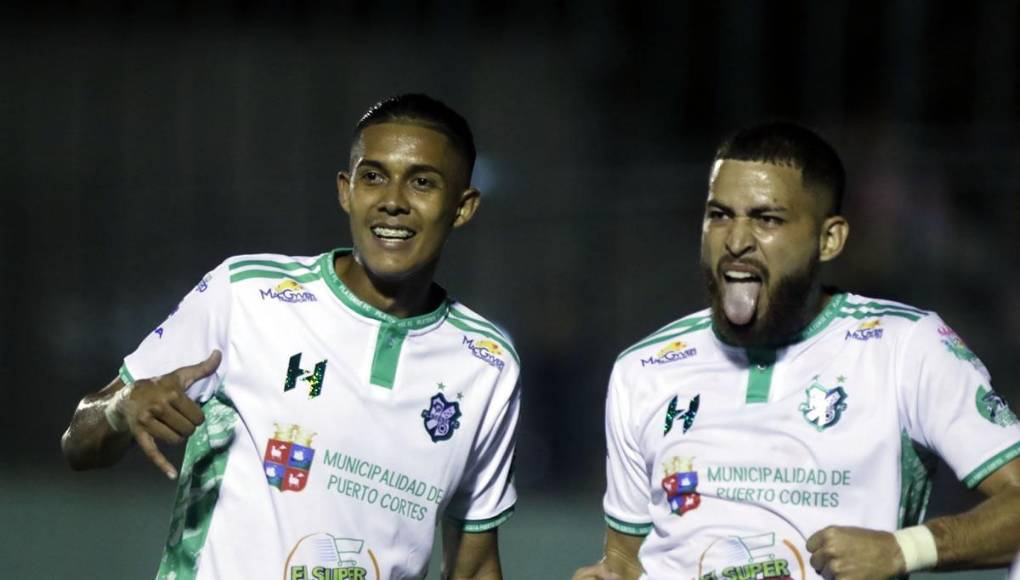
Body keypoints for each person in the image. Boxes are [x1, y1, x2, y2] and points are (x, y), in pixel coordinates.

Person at [61, 94, 520, 580]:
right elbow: (78, 443)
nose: (393, 201)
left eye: (422, 182)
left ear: (463, 207)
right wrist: (122, 407)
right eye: (373, 176)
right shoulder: (246, 294)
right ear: (346, 191)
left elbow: (474, 568)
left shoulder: (486, 363)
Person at [574, 122, 1020, 579]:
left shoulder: (905, 346)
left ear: (830, 239)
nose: (736, 241)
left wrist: (904, 549)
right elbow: (624, 561)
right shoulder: (644, 368)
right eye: (720, 215)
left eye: (767, 219)